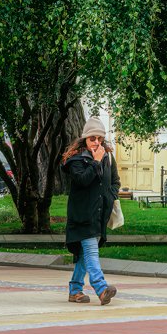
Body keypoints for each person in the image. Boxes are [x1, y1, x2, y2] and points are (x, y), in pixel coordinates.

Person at [61, 117, 119, 305]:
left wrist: (111, 195)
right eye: (92, 138)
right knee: (91, 252)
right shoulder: (76, 161)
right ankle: (101, 289)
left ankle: (75, 290)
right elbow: (82, 181)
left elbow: (115, 181)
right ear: (85, 139)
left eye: (100, 138)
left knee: (86, 256)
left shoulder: (107, 157)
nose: (97, 142)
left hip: (99, 214)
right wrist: (95, 161)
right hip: (82, 215)